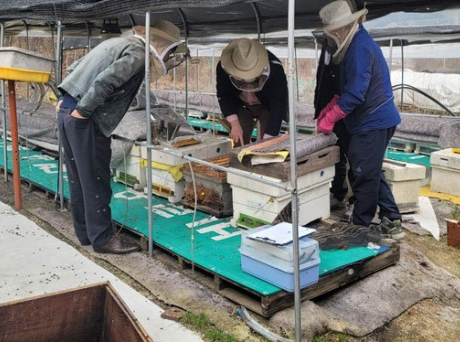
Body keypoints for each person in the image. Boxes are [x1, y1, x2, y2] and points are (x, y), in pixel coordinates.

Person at [56, 19, 187, 254]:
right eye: (170, 53)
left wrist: (64, 98)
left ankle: (86, 233)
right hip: (86, 118)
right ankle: (103, 239)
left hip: (67, 112)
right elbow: (107, 80)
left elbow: (75, 66)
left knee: (78, 177)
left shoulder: (116, 43)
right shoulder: (138, 53)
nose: (169, 58)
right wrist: (84, 110)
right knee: (96, 179)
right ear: (161, 44)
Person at [316, 0, 404, 239]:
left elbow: (356, 92)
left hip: (373, 121)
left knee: (363, 173)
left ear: (342, 28)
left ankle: (359, 227)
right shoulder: (358, 43)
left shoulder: (360, 47)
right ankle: (392, 220)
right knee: (372, 171)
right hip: (377, 119)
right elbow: (350, 87)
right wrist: (332, 103)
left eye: (334, 31)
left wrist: (332, 116)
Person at [216, 38, 288, 146]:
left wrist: (269, 137)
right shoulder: (223, 67)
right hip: (242, 105)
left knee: (267, 144)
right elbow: (224, 95)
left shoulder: (275, 68)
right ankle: (239, 161)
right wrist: (234, 124)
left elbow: (279, 103)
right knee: (238, 140)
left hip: (266, 105)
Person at [314, 33, 354, 211]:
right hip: (334, 111)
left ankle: (356, 200)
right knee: (336, 156)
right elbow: (323, 83)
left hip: (348, 114)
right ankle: (338, 193)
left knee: (354, 157)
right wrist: (322, 110)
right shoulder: (327, 53)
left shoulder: (350, 53)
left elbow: (349, 92)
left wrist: (332, 113)